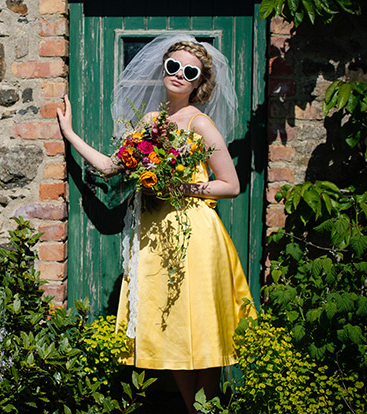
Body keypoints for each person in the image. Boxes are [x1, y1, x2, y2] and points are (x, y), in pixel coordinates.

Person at [56, 36, 256, 414]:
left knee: (204, 324)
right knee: (172, 328)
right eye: (173, 67)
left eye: (190, 72)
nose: (179, 75)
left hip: (195, 233)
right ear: (163, 69)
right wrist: (69, 135)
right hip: (157, 236)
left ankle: (209, 409)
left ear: (200, 83)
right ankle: (193, 408)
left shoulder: (201, 124)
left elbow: (231, 185)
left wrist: (182, 185)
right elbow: (111, 166)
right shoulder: (151, 122)